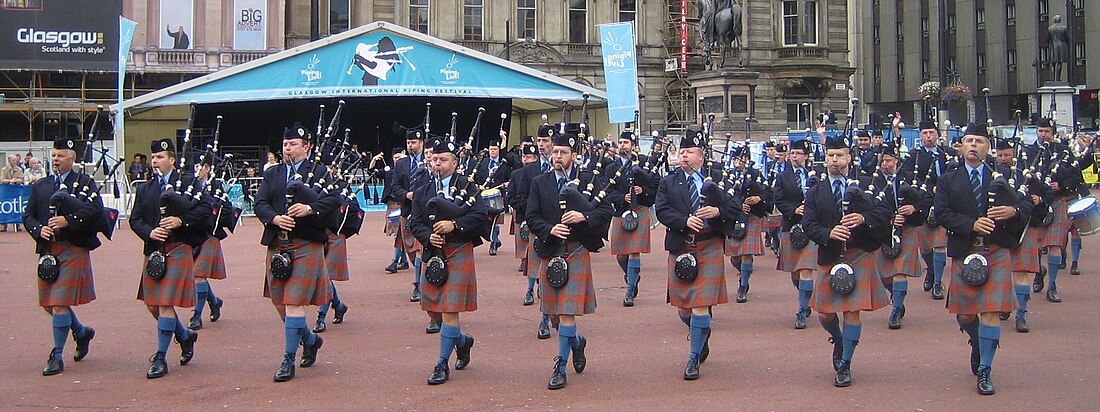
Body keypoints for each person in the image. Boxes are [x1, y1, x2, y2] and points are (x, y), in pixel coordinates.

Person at [934, 123, 1032, 395]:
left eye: (979, 141)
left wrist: (1013, 211)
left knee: (990, 311)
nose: (973, 145)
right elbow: (941, 213)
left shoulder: (1005, 177)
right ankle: (978, 342)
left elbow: (1028, 206)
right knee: (965, 315)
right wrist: (971, 224)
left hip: (997, 249)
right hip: (966, 249)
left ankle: (986, 369)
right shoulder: (949, 179)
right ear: (961, 146)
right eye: (969, 141)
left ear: (988, 147)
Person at [802, 133, 892, 388]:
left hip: (858, 254)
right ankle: (839, 340)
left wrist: (864, 218)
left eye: (839, 155)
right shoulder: (816, 191)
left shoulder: (867, 184)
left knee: (852, 312)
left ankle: (845, 364)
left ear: (849, 157)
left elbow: (885, 212)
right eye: (830, 156)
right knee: (825, 314)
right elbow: (809, 224)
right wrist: (828, 233)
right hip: (831, 255)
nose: (834, 160)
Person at [526, 132, 612, 390]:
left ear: (574, 155)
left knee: (565, 313)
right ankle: (576, 343)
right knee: (552, 314)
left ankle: (560, 366)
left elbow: (606, 210)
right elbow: (531, 216)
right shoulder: (540, 183)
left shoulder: (588, 180)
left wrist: (583, 217)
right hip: (551, 250)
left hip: (575, 250)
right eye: (555, 152)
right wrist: (549, 229)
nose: (557, 157)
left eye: (562, 153)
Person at [254, 124, 340, 382]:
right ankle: (310, 340)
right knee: (280, 303)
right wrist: (276, 218)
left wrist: (309, 209)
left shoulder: (320, 171)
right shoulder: (274, 174)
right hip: (278, 243)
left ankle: (288, 358)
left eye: (293, 144)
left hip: (305, 243)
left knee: (293, 303)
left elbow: (335, 199)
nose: (287, 149)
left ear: (307, 147)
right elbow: (260, 203)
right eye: (285, 144)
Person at [655, 129, 740, 380]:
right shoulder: (669, 181)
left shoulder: (719, 177)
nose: (684, 156)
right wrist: (684, 220)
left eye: (689, 152)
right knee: (684, 309)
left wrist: (717, 211)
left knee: (701, 305)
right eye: (682, 152)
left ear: (701, 156)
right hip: (682, 245)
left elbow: (735, 206)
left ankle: (693, 359)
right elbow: (662, 211)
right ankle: (702, 334)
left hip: (709, 244)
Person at [408, 139, 488, 384]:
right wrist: (427, 236)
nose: (437, 164)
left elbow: (480, 215)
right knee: (433, 310)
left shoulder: (468, 186)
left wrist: (455, 224)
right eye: (434, 159)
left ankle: (442, 363)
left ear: (455, 162)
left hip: (458, 249)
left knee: (450, 310)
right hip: (433, 252)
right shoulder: (422, 190)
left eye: (442, 160)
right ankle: (462, 341)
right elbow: (415, 222)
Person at [23, 137, 103, 376]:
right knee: (49, 303)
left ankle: (57, 354)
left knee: (58, 304)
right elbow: (28, 216)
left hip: (73, 246)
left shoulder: (84, 182)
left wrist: (68, 221)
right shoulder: (41, 185)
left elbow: (95, 210)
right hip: (49, 249)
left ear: (72, 158)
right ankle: (81, 331)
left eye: (60, 155)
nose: (56, 159)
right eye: (54, 155)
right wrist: (39, 229)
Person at [129, 139, 208, 379]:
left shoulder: (188, 183)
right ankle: (184, 336)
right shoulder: (145, 189)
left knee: (164, 303)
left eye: (160, 157)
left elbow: (205, 210)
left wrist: (181, 222)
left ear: (172, 160)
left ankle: (161, 357)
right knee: (152, 305)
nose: (155, 161)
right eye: (153, 158)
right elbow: (136, 220)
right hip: (154, 249)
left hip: (178, 247)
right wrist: (149, 232)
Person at [1025, 118, 1088, 302]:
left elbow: (1075, 176)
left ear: (1053, 133)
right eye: (1040, 131)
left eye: (1047, 131)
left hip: (1058, 201)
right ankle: (1039, 271)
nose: (1043, 134)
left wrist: (1060, 185)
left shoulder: (1063, 151)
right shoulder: (1028, 151)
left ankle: (1052, 285)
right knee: (1034, 244)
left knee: (1054, 244)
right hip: (1035, 202)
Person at [871, 142, 932, 330]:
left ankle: (896, 310)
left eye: (888, 160)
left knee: (899, 273)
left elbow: (929, 198)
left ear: (896, 160)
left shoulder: (909, 178)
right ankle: (896, 297)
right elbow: (868, 206)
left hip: (906, 230)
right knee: (883, 275)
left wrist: (914, 208)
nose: (884, 164)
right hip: (883, 231)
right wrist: (889, 219)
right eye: (882, 161)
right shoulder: (873, 182)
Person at [995, 139, 1051, 333]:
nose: (1003, 159)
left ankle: (1022, 314)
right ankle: (1005, 305)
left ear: (1014, 154)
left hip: (1025, 227)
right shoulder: (989, 173)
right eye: (1000, 155)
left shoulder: (1026, 174)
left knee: (1020, 272)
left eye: (1007, 155)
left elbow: (1047, 193)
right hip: (999, 229)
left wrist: (1040, 199)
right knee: (1002, 272)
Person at [901, 117, 958, 300]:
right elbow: (910, 178)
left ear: (938, 134)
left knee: (940, 244)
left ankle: (937, 283)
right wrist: (930, 188)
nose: (928, 137)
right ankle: (931, 270)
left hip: (945, 203)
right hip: (923, 202)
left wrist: (944, 188)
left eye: (931, 133)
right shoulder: (914, 155)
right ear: (920, 137)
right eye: (925, 134)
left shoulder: (948, 153)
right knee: (925, 247)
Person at [509, 126, 556, 332]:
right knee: (541, 272)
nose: (542, 144)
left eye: (545, 140)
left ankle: (556, 320)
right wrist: (535, 214)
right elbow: (519, 198)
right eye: (540, 140)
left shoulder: (568, 171)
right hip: (538, 228)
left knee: (555, 277)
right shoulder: (527, 172)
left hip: (561, 230)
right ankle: (544, 318)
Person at [773, 139, 823, 329]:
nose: (794, 157)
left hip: (812, 227)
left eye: (798, 153)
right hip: (791, 226)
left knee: (806, 269)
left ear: (806, 156)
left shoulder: (816, 174)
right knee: (796, 273)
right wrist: (794, 210)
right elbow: (779, 199)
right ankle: (805, 297)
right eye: (792, 153)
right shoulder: (783, 176)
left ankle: (802, 310)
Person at [606, 130, 659, 306]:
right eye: (620, 142)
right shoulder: (610, 168)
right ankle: (631, 276)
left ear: (633, 146)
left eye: (626, 143)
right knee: (621, 255)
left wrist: (643, 191)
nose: (622, 145)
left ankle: (629, 291)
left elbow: (656, 184)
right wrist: (622, 198)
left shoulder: (644, 163)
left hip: (640, 209)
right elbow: (606, 191)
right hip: (621, 212)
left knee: (635, 251)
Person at [724, 145, 770, 303]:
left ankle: (743, 287)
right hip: (734, 218)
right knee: (735, 257)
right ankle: (744, 273)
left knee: (747, 253)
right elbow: (722, 196)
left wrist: (759, 199)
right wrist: (737, 206)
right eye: (735, 159)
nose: (737, 162)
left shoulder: (756, 174)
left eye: (740, 159)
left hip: (751, 217)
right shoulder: (727, 175)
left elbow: (768, 192)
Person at [188, 160, 228, 330]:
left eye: (201, 167)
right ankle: (214, 301)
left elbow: (227, 209)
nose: (198, 170)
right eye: (196, 167)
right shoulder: (189, 184)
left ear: (208, 169)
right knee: (197, 274)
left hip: (209, 234)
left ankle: (196, 315)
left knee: (199, 275)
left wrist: (213, 207)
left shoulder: (217, 185)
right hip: (192, 234)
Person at [392, 129, 430, 307]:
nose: (410, 146)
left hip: (424, 214)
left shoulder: (429, 160)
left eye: (413, 143)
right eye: (408, 143)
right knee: (411, 250)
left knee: (421, 249)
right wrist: (406, 195)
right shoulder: (401, 164)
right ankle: (421, 275)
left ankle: (418, 285)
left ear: (421, 143)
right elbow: (394, 187)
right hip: (407, 211)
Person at [475, 136, 512, 256]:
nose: (493, 151)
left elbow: (509, 178)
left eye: (495, 149)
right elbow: (478, 177)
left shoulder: (504, 164)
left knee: (495, 219)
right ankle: (495, 239)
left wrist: (507, 184)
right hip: (484, 194)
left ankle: (494, 243)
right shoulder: (483, 163)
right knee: (486, 219)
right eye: (491, 149)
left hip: (498, 194)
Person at [378, 148, 410, 273]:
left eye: (400, 157)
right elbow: (373, 171)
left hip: (403, 205)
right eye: (395, 158)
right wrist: (375, 159)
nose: (397, 160)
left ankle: (396, 261)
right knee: (398, 234)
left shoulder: (410, 171)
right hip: (394, 205)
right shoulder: (391, 171)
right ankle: (402, 260)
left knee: (399, 234)